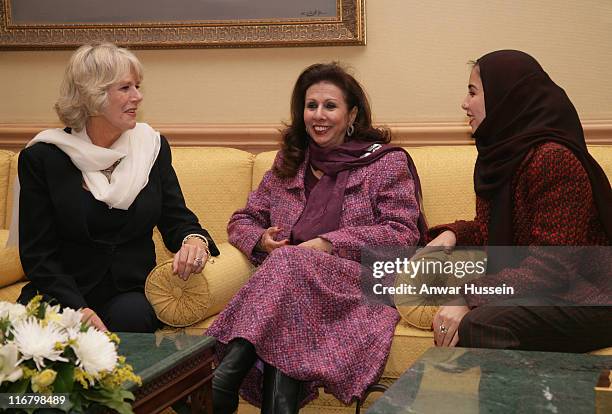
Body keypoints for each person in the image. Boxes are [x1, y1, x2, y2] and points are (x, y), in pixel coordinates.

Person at [206, 63, 427, 413]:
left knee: (290, 264)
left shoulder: (385, 163)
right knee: (290, 280)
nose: (318, 116)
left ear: (352, 113)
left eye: (330, 106)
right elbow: (243, 220)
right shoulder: (289, 163)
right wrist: (262, 240)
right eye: (311, 106)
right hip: (293, 288)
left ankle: (224, 377)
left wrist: (329, 243)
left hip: (359, 285)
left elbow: (401, 234)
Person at [11, 43, 219, 333]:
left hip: (127, 292)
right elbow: (38, 255)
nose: (138, 96)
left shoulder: (151, 148)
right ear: (92, 95)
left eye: (137, 86)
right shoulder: (43, 157)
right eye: (125, 88)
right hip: (61, 293)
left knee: (132, 317)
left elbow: (177, 219)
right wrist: (77, 309)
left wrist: (194, 240)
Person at [428, 50, 612, 352]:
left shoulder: (553, 159)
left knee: (482, 322)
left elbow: (552, 270)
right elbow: (498, 228)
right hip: (550, 294)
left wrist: (466, 297)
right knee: (483, 318)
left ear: (506, 98)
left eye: (473, 92)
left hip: (591, 299)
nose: (464, 103)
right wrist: (454, 233)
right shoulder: (500, 156)